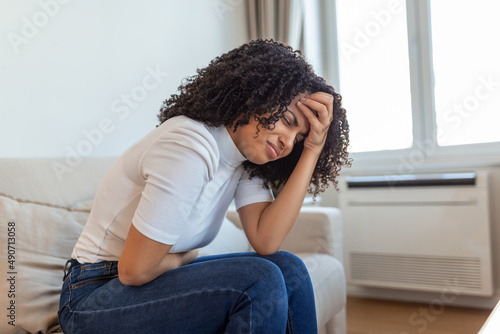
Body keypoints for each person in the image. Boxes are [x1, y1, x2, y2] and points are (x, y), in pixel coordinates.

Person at [58, 39, 350, 334]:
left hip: (150, 284)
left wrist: (312, 149)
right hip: (92, 298)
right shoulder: (189, 146)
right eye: (288, 121)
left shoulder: (243, 158)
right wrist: (187, 256)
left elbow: (266, 240)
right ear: (256, 96)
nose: (289, 142)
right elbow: (135, 270)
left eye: (298, 139)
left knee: (290, 269)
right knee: (259, 280)